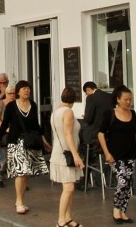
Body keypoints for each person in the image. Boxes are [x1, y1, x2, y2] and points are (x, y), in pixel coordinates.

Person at [0, 79, 50, 215]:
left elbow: (36, 125)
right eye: (24, 88)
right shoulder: (11, 106)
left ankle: (21, 200)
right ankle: (19, 201)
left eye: (28, 88)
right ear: (18, 92)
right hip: (16, 143)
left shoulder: (33, 105)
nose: (27, 90)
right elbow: (4, 124)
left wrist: (44, 140)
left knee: (26, 174)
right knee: (20, 172)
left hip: (30, 143)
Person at [98, 85, 136, 224]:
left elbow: (135, 133)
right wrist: (107, 153)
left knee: (128, 183)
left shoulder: (133, 114)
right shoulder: (109, 114)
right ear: (118, 99)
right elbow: (101, 134)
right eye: (126, 99)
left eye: (130, 99)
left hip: (130, 153)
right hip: (115, 154)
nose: (128, 102)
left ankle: (123, 210)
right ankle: (116, 209)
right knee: (122, 181)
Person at [51, 87, 85, 227]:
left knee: (69, 187)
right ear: (74, 100)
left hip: (61, 153)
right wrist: (76, 155)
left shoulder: (56, 111)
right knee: (69, 188)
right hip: (66, 154)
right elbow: (67, 134)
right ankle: (60, 221)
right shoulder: (68, 112)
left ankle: (68, 217)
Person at [0, 85, 15, 187]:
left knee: (15, 158)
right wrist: (5, 128)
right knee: (4, 158)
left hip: (15, 134)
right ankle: (0, 178)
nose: (12, 95)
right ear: (6, 94)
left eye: (14, 93)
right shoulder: (1, 104)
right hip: (3, 135)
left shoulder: (17, 104)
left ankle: (20, 180)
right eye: (10, 93)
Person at [80, 81, 113, 152]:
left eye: (86, 92)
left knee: (81, 134)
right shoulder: (109, 96)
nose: (86, 94)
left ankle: (87, 159)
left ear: (88, 89)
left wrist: (85, 117)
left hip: (96, 131)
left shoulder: (91, 97)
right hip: (109, 129)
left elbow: (89, 118)